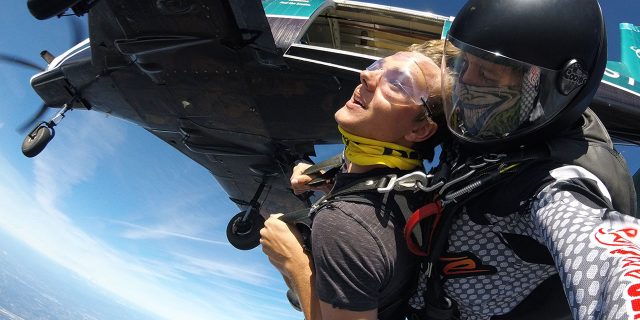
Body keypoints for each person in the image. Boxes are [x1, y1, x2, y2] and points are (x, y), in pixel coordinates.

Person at [405, 0, 640, 319]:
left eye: (486, 74)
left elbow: (611, 262)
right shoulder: (490, 130)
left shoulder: (554, 186)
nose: (466, 83)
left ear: (543, 90)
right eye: (464, 65)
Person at [259, 46, 448, 320]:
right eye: (377, 67)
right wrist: (328, 174)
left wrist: (295, 264)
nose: (366, 77)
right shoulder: (412, 186)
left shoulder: (343, 224)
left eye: (398, 83)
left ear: (420, 129)